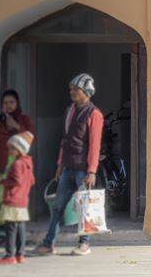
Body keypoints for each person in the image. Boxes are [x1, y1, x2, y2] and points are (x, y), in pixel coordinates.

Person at [33, 73, 103, 257]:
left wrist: (92, 171)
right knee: (57, 207)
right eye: (71, 89)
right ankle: (49, 244)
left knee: (84, 208)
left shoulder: (94, 114)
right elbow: (65, 140)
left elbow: (95, 145)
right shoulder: (70, 110)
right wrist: (59, 165)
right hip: (68, 169)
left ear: (86, 92)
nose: (71, 92)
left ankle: (84, 244)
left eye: (75, 89)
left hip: (83, 171)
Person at [0, 89, 34, 245]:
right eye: (5, 103)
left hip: (18, 170)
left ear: (17, 103)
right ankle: (2, 234)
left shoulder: (25, 120)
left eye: (11, 102)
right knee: (0, 202)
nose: (8, 106)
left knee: (17, 200)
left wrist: (16, 126)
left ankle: (16, 235)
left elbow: (30, 139)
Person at [0, 132, 35, 265]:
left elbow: (17, 181)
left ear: (20, 149)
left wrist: (2, 181)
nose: (9, 151)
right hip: (22, 200)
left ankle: (9, 255)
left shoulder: (17, 163)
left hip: (13, 199)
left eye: (12, 148)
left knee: (10, 228)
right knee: (20, 227)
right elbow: (31, 180)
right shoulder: (27, 163)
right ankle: (20, 255)